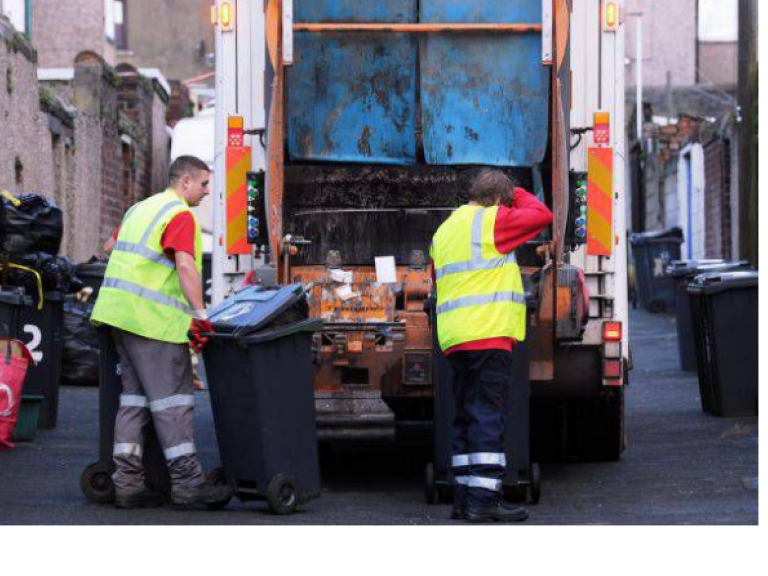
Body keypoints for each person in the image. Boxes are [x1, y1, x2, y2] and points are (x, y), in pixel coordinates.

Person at [91, 155, 231, 509]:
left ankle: (127, 484)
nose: (205, 191)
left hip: (119, 317)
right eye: (202, 184)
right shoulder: (179, 214)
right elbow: (184, 266)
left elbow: (108, 249)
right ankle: (187, 485)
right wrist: (200, 315)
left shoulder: (141, 208)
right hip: (152, 323)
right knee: (173, 403)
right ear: (185, 181)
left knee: (134, 401)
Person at [430, 168, 553, 523]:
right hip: (488, 333)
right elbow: (541, 215)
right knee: (487, 415)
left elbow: (439, 280)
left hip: (454, 337)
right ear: (499, 201)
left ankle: (464, 498)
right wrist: (517, 194)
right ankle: (484, 501)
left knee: (465, 415)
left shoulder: (445, 229)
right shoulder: (492, 221)